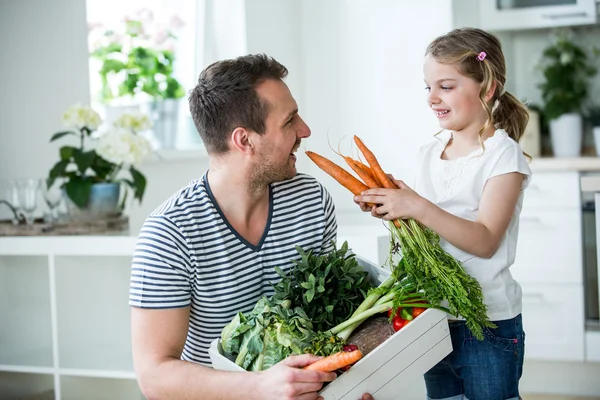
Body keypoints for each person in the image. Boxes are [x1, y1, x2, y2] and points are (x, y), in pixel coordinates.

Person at [129, 54, 374, 400]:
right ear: (244, 140)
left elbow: (329, 324)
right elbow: (154, 376)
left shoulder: (311, 200)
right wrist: (261, 388)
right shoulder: (170, 233)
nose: (305, 130)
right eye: (289, 121)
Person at [354, 28, 531, 400]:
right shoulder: (429, 153)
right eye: (428, 87)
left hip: (487, 323)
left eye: (446, 86)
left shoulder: (503, 156)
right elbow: (429, 223)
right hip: (433, 318)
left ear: (487, 87)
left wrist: (416, 204)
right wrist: (393, 207)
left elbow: (484, 240)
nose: (432, 98)